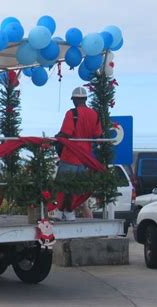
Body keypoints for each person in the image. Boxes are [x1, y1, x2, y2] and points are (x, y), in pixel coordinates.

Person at [54, 86, 103, 220]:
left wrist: (55, 138)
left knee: (63, 186)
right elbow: (98, 136)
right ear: (85, 99)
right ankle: (69, 212)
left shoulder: (72, 113)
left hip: (70, 156)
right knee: (75, 188)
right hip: (84, 159)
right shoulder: (95, 114)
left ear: (74, 100)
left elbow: (66, 133)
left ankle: (60, 211)